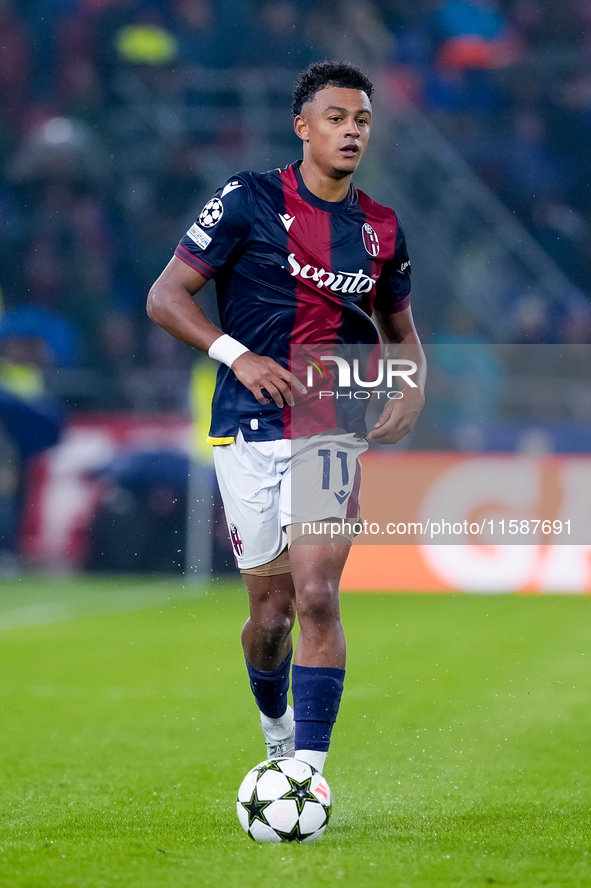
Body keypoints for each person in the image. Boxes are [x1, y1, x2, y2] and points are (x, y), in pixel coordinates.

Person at [147, 60, 426, 775]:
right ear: (302, 127)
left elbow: (399, 330)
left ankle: (307, 769)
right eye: (335, 118)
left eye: (361, 120)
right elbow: (165, 297)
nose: (351, 131)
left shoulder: (381, 230)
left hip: (328, 427)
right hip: (246, 427)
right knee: (269, 619)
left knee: (315, 596)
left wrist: (409, 387)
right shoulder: (247, 199)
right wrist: (237, 356)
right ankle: (275, 721)